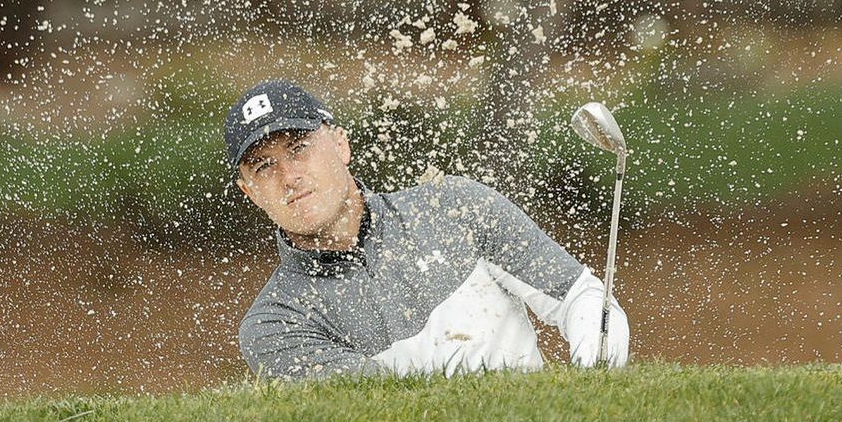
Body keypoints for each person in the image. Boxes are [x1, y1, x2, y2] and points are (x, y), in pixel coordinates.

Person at [228, 78, 630, 380]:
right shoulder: (275, 322)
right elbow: (382, 410)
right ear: (250, 192)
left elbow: (581, 298)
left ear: (340, 145)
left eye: (299, 148)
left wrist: (593, 377)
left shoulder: (454, 207)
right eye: (264, 166)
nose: (289, 176)